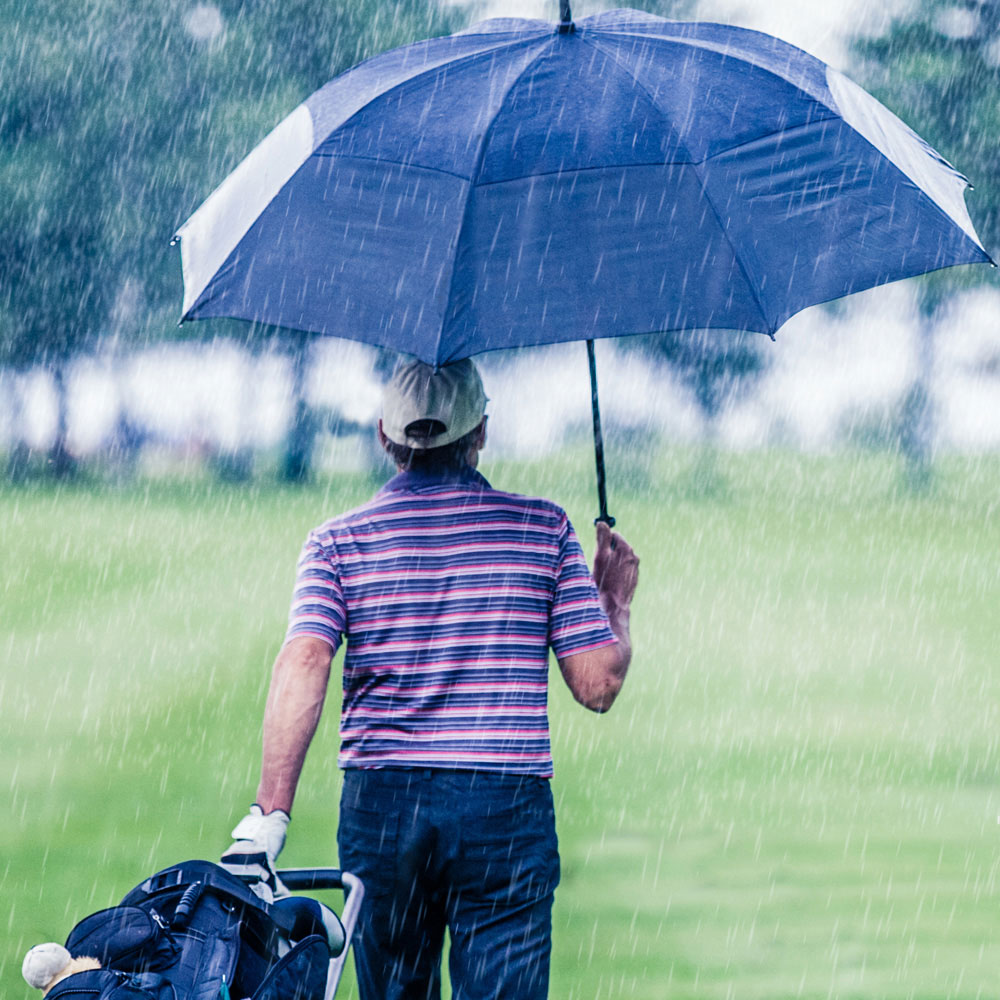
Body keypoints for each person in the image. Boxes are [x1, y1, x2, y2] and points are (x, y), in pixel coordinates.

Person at [224, 358, 639, 999]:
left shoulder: (337, 543)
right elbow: (598, 684)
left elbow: (305, 661)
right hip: (503, 807)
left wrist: (269, 814)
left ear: (385, 436)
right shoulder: (543, 528)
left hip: (384, 810)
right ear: (481, 433)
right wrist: (613, 601)